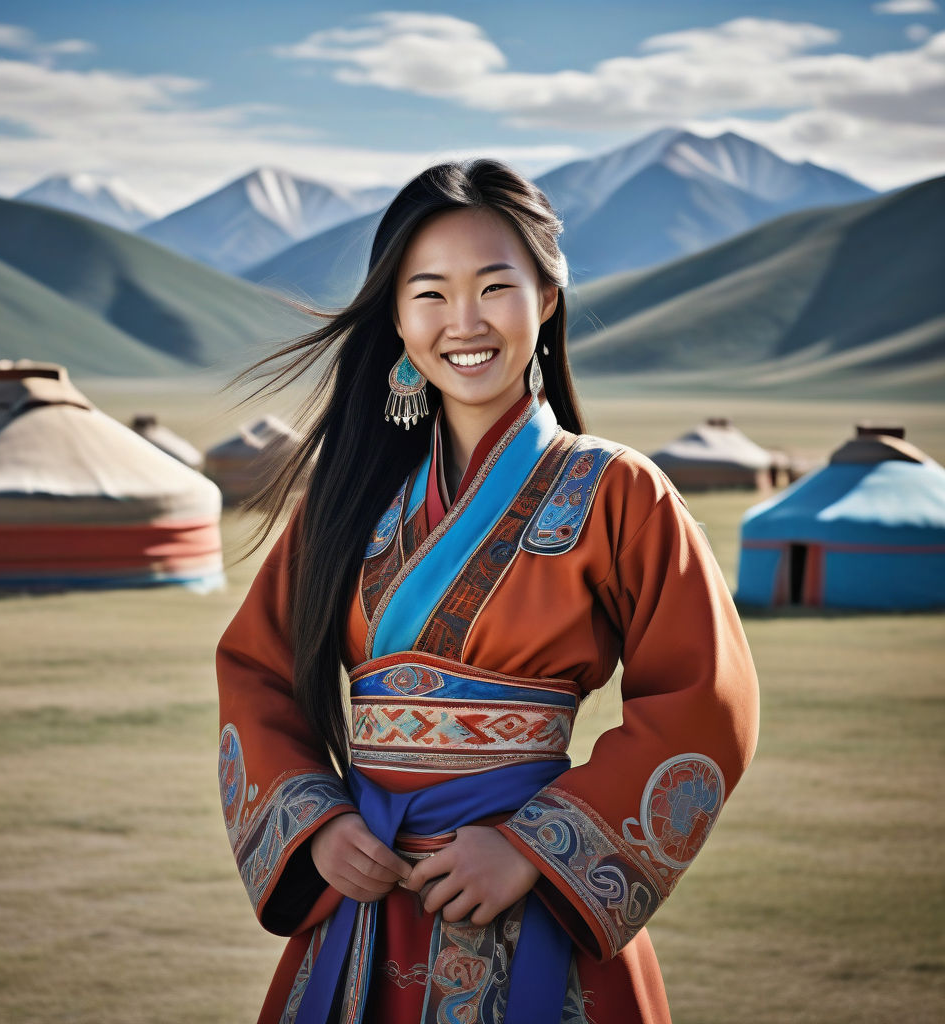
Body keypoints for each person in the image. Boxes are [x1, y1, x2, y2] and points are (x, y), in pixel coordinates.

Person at [216, 159, 760, 1024]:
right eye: (428, 293)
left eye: (494, 287)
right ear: (395, 318)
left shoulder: (619, 492)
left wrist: (536, 850)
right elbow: (256, 670)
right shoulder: (347, 500)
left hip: (535, 898)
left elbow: (705, 703)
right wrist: (317, 824)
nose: (462, 323)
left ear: (546, 298)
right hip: (366, 902)